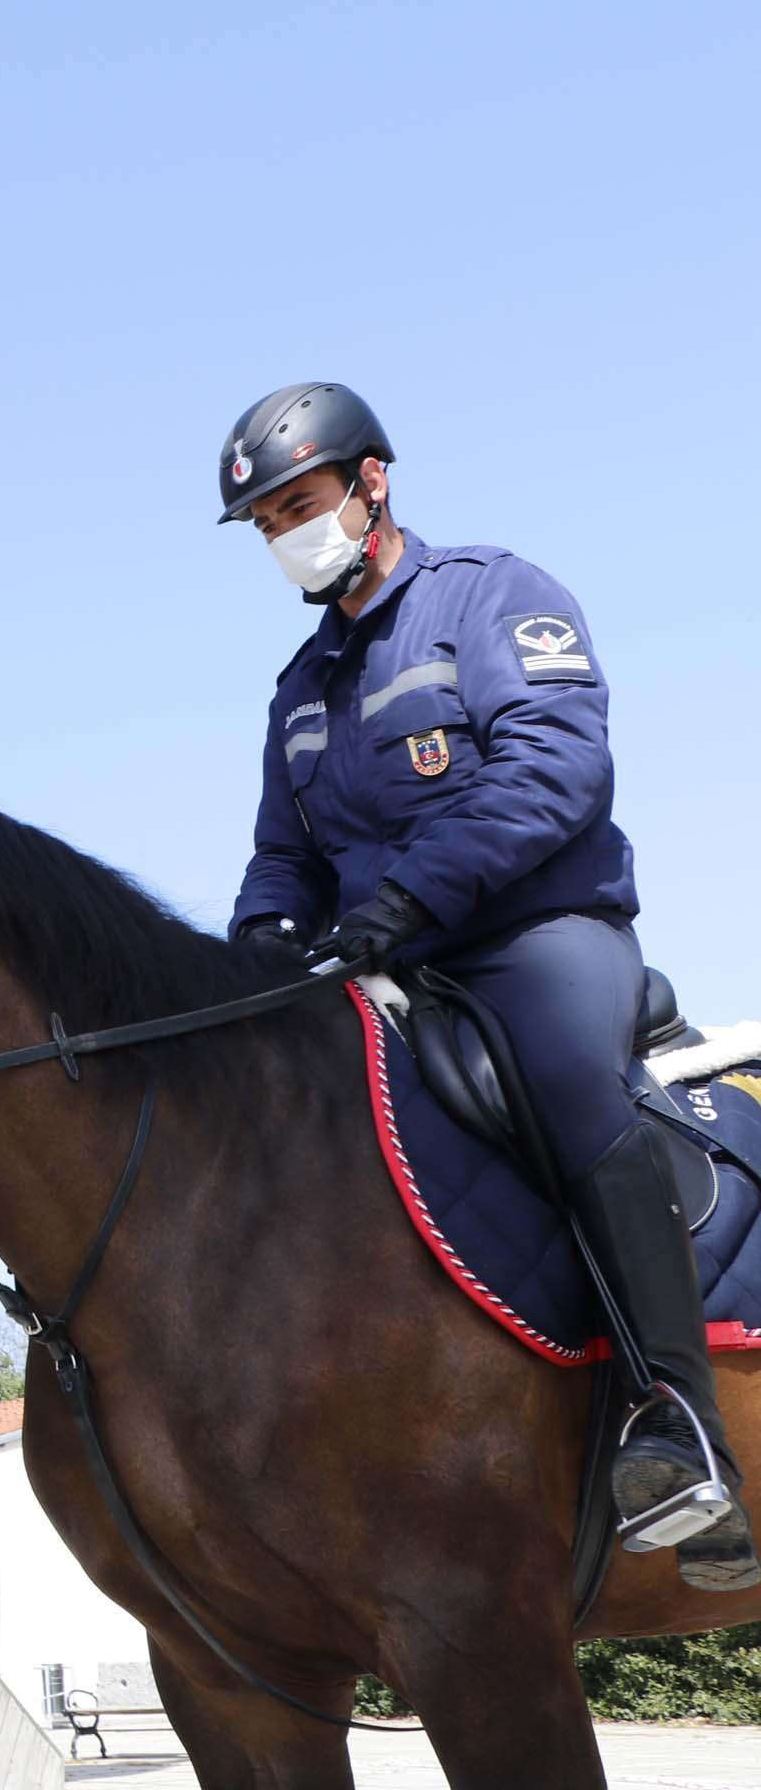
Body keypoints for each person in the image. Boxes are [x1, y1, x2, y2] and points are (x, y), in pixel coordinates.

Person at [218, 381, 753, 1591]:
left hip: (534, 932)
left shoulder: (491, 594)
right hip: (377, 960)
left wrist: (411, 897)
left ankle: (682, 1423)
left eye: (298, 503)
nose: (285, 535)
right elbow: (280, 856)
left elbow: (558, 764)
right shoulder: (299, 690)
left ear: (372, 482)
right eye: (265, 524)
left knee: (571, 1081)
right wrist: (252, 957)